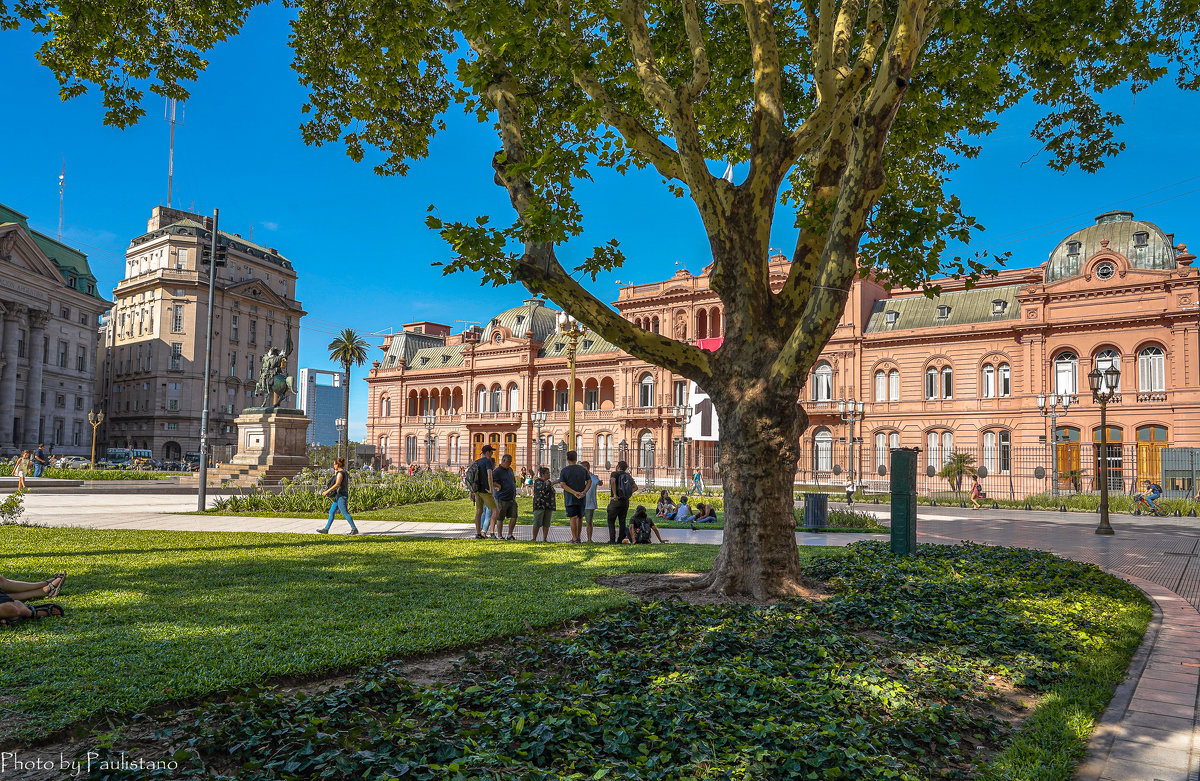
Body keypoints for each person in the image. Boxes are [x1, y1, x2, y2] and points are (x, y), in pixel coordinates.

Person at [318, 457, 358, 534]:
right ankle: (326, 529)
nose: (333, 466)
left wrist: (327, 491)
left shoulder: (341, 473)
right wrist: (335, 474)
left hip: (342, 496)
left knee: (345, 513)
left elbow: (337, 484)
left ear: (337, 465)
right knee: (332, 511)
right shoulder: (343, 472)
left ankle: (354, 529)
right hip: (339, 495)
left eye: (334, 464)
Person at [557, 450, 590, 544]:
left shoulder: (565, 470)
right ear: (576, 458)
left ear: (567, 459)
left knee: (572, 517)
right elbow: (589, 481)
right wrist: (584, 491)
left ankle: (575, 538)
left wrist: (574, 492)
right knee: (580, 517)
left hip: (570, 498)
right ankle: (578, 537)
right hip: (582, 497)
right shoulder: (582, 469)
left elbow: (563, 484)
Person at [468, 445, 497, 539]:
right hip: (485, 490)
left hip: (477, 490)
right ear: (487, 452)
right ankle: (492, 533)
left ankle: (478, 533)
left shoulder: (477, 461)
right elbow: (489, 475)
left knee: (479, 511)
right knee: (495, 510)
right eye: (491, 451)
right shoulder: (487, 461)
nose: (492, 453)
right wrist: (491, 489)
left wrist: (471, 491)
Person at [607, 461, 637, 543]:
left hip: (615, 501)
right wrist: (628, 494)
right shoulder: (628, 476)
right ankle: (620, 540)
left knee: (611, 520)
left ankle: (612, 540)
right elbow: (635, 487)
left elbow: (613, 481)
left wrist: (615, 494)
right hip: (625, 501)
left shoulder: (614, 474)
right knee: (622, 521)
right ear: (626, 468)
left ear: (618, 467)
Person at [491, 454, 519, 540]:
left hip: (511, 498)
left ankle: (510, 534)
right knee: (500, 518)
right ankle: (500, 535)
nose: (510, 463)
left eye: (511, 461)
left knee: (514, 516)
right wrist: (498, 486)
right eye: (509, 461)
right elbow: (491, 481)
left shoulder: (510, 470)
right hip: (501, 498)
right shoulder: (497, 471)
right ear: (503, 461)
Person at [531, 466, 556, 542]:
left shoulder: (548, 482)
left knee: (546, 523)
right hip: (539, 505)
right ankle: (534, 538)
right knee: (537, 522)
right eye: (547, 473)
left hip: (548, 505)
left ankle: (545, 539)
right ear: (542, 474)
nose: (549, 475)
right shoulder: (538, 482)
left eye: (549, 473)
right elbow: (543, 488)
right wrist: (554, 482)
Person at [581, 460, 601, 543]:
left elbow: (599, 483)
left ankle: (589, 539)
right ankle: (576, 537)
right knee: (578, 521)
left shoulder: (593, 477)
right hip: (580, 503)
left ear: (586, 468)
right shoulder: (579, 477)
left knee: (589, 522)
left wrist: (600, 482)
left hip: (590, 504)